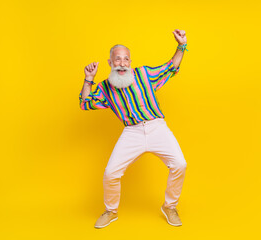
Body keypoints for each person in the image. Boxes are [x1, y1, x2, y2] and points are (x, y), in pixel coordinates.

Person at [79, 29, 188, 228]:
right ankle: (111, 211)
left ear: (130, 62)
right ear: (110, 63)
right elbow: (85, 103)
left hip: (157, 127)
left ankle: (170, 206)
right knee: (111, 173)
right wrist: (89, 79)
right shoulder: (105, 88)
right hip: (132, 132)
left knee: (180, 164)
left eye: (126, 59)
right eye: (117, 59)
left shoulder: (144, 74)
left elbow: (171, 66)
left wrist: (181, 45)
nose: (122, 63)